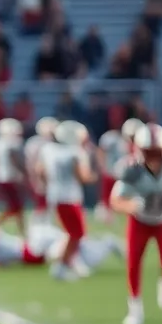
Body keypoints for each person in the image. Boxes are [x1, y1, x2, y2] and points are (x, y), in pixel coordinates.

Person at [109, 122, 162, 324]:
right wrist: (130, 205)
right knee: (134, 264)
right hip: (140, 221)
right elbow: (115, 200)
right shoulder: (132, 170)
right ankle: (134, 309)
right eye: (148, 152)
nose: (153, 158)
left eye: (156, 152)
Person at [38, 120, 96, 280]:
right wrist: (94, 176)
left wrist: (50, 184)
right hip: (70, 197)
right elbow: (83, 177)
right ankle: (61, 266)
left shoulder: (48, 149)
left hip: (55, 196)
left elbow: (40, 171)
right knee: (77, 233)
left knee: (72, 233)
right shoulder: (76, 152)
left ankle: (69, 263)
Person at [0, 118, 27, 233]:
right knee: (16, 206)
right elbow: (15, 160)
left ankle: (21, 229)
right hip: (11, 177)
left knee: (16, 205)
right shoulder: (12, 143)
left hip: (2, 176)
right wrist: (24, 172)